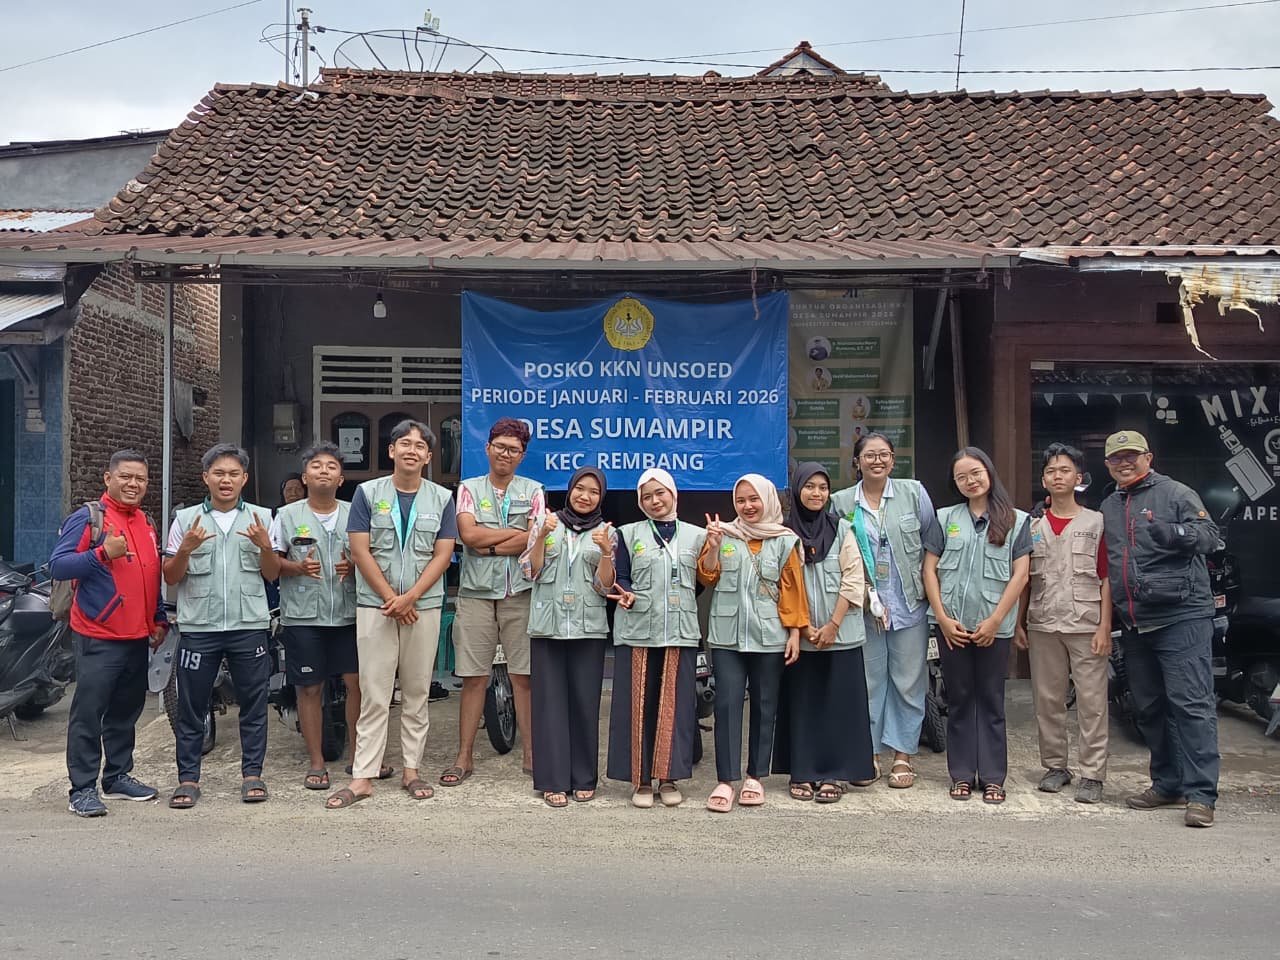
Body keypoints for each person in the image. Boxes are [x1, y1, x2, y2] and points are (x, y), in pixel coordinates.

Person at [326, 419, 457, 809]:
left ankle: (412, 771)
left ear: (429, 456)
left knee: (417, 691)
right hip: (376, 606)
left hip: (424, 606)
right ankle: (363, 776)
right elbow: (360, 551)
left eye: (420, 446)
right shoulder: (366, 494)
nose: (411, 450)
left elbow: (444, 553)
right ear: (391, 451)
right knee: (374, 693)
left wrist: (412, 597)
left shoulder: (442, 498)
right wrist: (391, 598)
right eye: (404, 443)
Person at [1099, 430, 1220, 828]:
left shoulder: (1176, 494)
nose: (1124, 463)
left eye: (1132, 456)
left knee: (1191, 706)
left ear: (1148, 457)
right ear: (1107, 465)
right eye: (1117, 458)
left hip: (1181, 617)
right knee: (1148, 708)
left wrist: (1177, 534)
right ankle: (1167, 782)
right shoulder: (1109, 505)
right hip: (1136, 623)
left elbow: (1210, 536)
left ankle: (1201, 794)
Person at [51, 450, 168, 817]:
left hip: (137, 636)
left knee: (125, 712)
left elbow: (149, 573)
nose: (134, 485)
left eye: (141, 479)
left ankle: (117, 776)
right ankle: (82, 789)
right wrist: (102, 554)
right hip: (99, 635)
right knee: (89, 713)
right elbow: (58, 563)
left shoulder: (147, 522)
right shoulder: (89, 518)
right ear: (108, 479)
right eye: (126, 477)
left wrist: (159, 617)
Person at [162, 443, 275, 809]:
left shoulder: (261, 518)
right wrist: (185, 550)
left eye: (233, 474)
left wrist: (265, 547)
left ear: (244, 478)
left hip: (248, 625)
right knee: (191, 706)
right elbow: (171, 577)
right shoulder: (186, 520)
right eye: (219, 473)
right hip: (199, 627)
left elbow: (271, 574)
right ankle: (188, 779)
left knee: (254, 704)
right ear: (206, 477)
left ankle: (252, 775)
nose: (226, 480)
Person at [922, 447, 1030, 805]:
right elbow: (929, 570)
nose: (970, 481)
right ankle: (962, 774)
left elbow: (1021, 574)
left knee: (991, 701)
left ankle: (995, 777)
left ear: (990, 472)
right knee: (959, 699)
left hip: (993, 628)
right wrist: (941, 617)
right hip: (952, 625)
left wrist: (997, 619)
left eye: (976, 472)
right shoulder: (944, 517)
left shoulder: (1016, 520)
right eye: (962, 477)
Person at [830, 431, 936, 789]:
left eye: (884, 454)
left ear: (893, 459)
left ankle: (903, 755)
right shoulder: (841, 502)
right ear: (857, 462)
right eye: (869, 455)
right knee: (868, 683)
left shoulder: (914, 493)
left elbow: (931, 546)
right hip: (863, 608)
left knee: (908, 683)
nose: (877, 461)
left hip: (908, 605)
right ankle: (869, 753)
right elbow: (834, 557)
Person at [441, 418, 543, 787]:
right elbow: (466, 534)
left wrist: (490, 545)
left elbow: (535, 538)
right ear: (487, 448)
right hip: (475, 595)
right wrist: (512, 538)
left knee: (524, 678)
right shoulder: (467, 489)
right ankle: (464, 755)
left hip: (520, 593)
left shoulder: (534, 490)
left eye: (513, 450)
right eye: (500, 447)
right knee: (473, 678)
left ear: (522, 455)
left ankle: (532, 754)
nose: (506, 454)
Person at [698, 474, 807, 813]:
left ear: (768, 500)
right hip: (728, 636)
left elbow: (792, 589)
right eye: (741, 500)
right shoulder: (723, 534)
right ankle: (726, 780)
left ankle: (756, 777)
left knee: (765, 705)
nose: (747, 506)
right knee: (727, 705)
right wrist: (714, 548)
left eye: (753, 499)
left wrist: (794, 633)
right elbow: (707, 576)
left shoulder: (784, 540)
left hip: (770, 636)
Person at [1015, 443, 1112, 804]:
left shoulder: (1096, 522)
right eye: (1052, 471)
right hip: (1042, 622)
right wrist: (1021, 621)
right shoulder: (1032, 525)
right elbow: (1024, 578)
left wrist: (1105, 626)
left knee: (1092, 701)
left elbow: (1105, 577)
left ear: (1079, 478)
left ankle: (1092, 773)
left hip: (1086, 624)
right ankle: (1056, 766)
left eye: (1065, 470)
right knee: (1048, 699)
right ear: (1043, 479)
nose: (1058, 476)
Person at [772, 462, 874, 805]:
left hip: (840, 634)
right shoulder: (783, 534)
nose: (816, 494)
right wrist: (800, 627)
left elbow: (853, 578)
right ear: (797, 490)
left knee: (839, 705)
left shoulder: (843, 529)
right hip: (798, 636)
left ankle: (835, 773)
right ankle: (802, 771)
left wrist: (832, 625)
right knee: (802, 705)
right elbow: (781, 585)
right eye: (810, 487)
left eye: (823, 488)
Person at [605, 468, 706, 808]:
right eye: (647, 496)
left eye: (660, 493)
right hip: (638, 630)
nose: (654, 501)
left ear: (673, 494)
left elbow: (704, 579)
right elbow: (620, 576)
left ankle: (669, 778)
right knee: (638, 707)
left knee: (675, 709)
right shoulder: (627, 533)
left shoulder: (697, 535)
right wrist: (628, 592)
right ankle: (642, 780)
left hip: (679, 630)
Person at [266, 442, 363, 791]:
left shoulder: (356, 512)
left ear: (341, 478)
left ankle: (359, 758)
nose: (324, 471)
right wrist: (296, 566)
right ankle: (317, 762)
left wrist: (353, 567)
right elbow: (272, 565)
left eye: (331, 466)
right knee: (309, 688)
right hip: (303, 617)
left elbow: (374, 558)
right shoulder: (287, 515)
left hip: (350, 615)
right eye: (317, 466)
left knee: (358, 686)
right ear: (305, 477)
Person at [522, 467, 615, 808]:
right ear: (570, 489)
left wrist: (606, 552)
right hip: (548, 625)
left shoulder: (607, 531)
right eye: (580, 488)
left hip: (588, 628)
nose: (585, 496)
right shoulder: (546, 523)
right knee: (549, 704)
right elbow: (530, 571)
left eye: (593, 491)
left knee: (584, 703)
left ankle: (584, 777)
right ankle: (552, 779)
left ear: (600, 497)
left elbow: (605, 586)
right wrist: (542, 537)